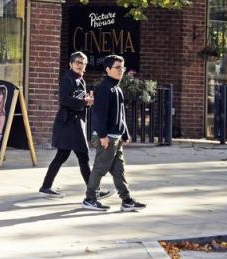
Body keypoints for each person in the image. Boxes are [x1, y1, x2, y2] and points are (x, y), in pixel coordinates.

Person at [39, 52, 110, 199]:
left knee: (63, 156)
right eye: (77, 62)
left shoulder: (82, 81)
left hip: (77, 124)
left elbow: (80, 103)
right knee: (81, 156)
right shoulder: (67, 79)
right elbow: (64, 100)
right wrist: (84, 102)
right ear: (71, 64)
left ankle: (46, 186)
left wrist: (88, 103)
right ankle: (93, 191)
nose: (80, 65)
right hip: (68, 124)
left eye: (83, 63)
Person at [82, 55, 147, 212]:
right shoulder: (104, 88)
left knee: (119, 170)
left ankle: (127, 200)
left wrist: (125, 133)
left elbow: (120, 114)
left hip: (116, 137)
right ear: (108, 69)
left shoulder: (117, 88)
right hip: (107, 137)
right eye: (117, 68)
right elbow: (99, 114)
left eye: (122, 68)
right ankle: (90, 199)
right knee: (100, 168)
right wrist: (103, 135)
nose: (121, 71)